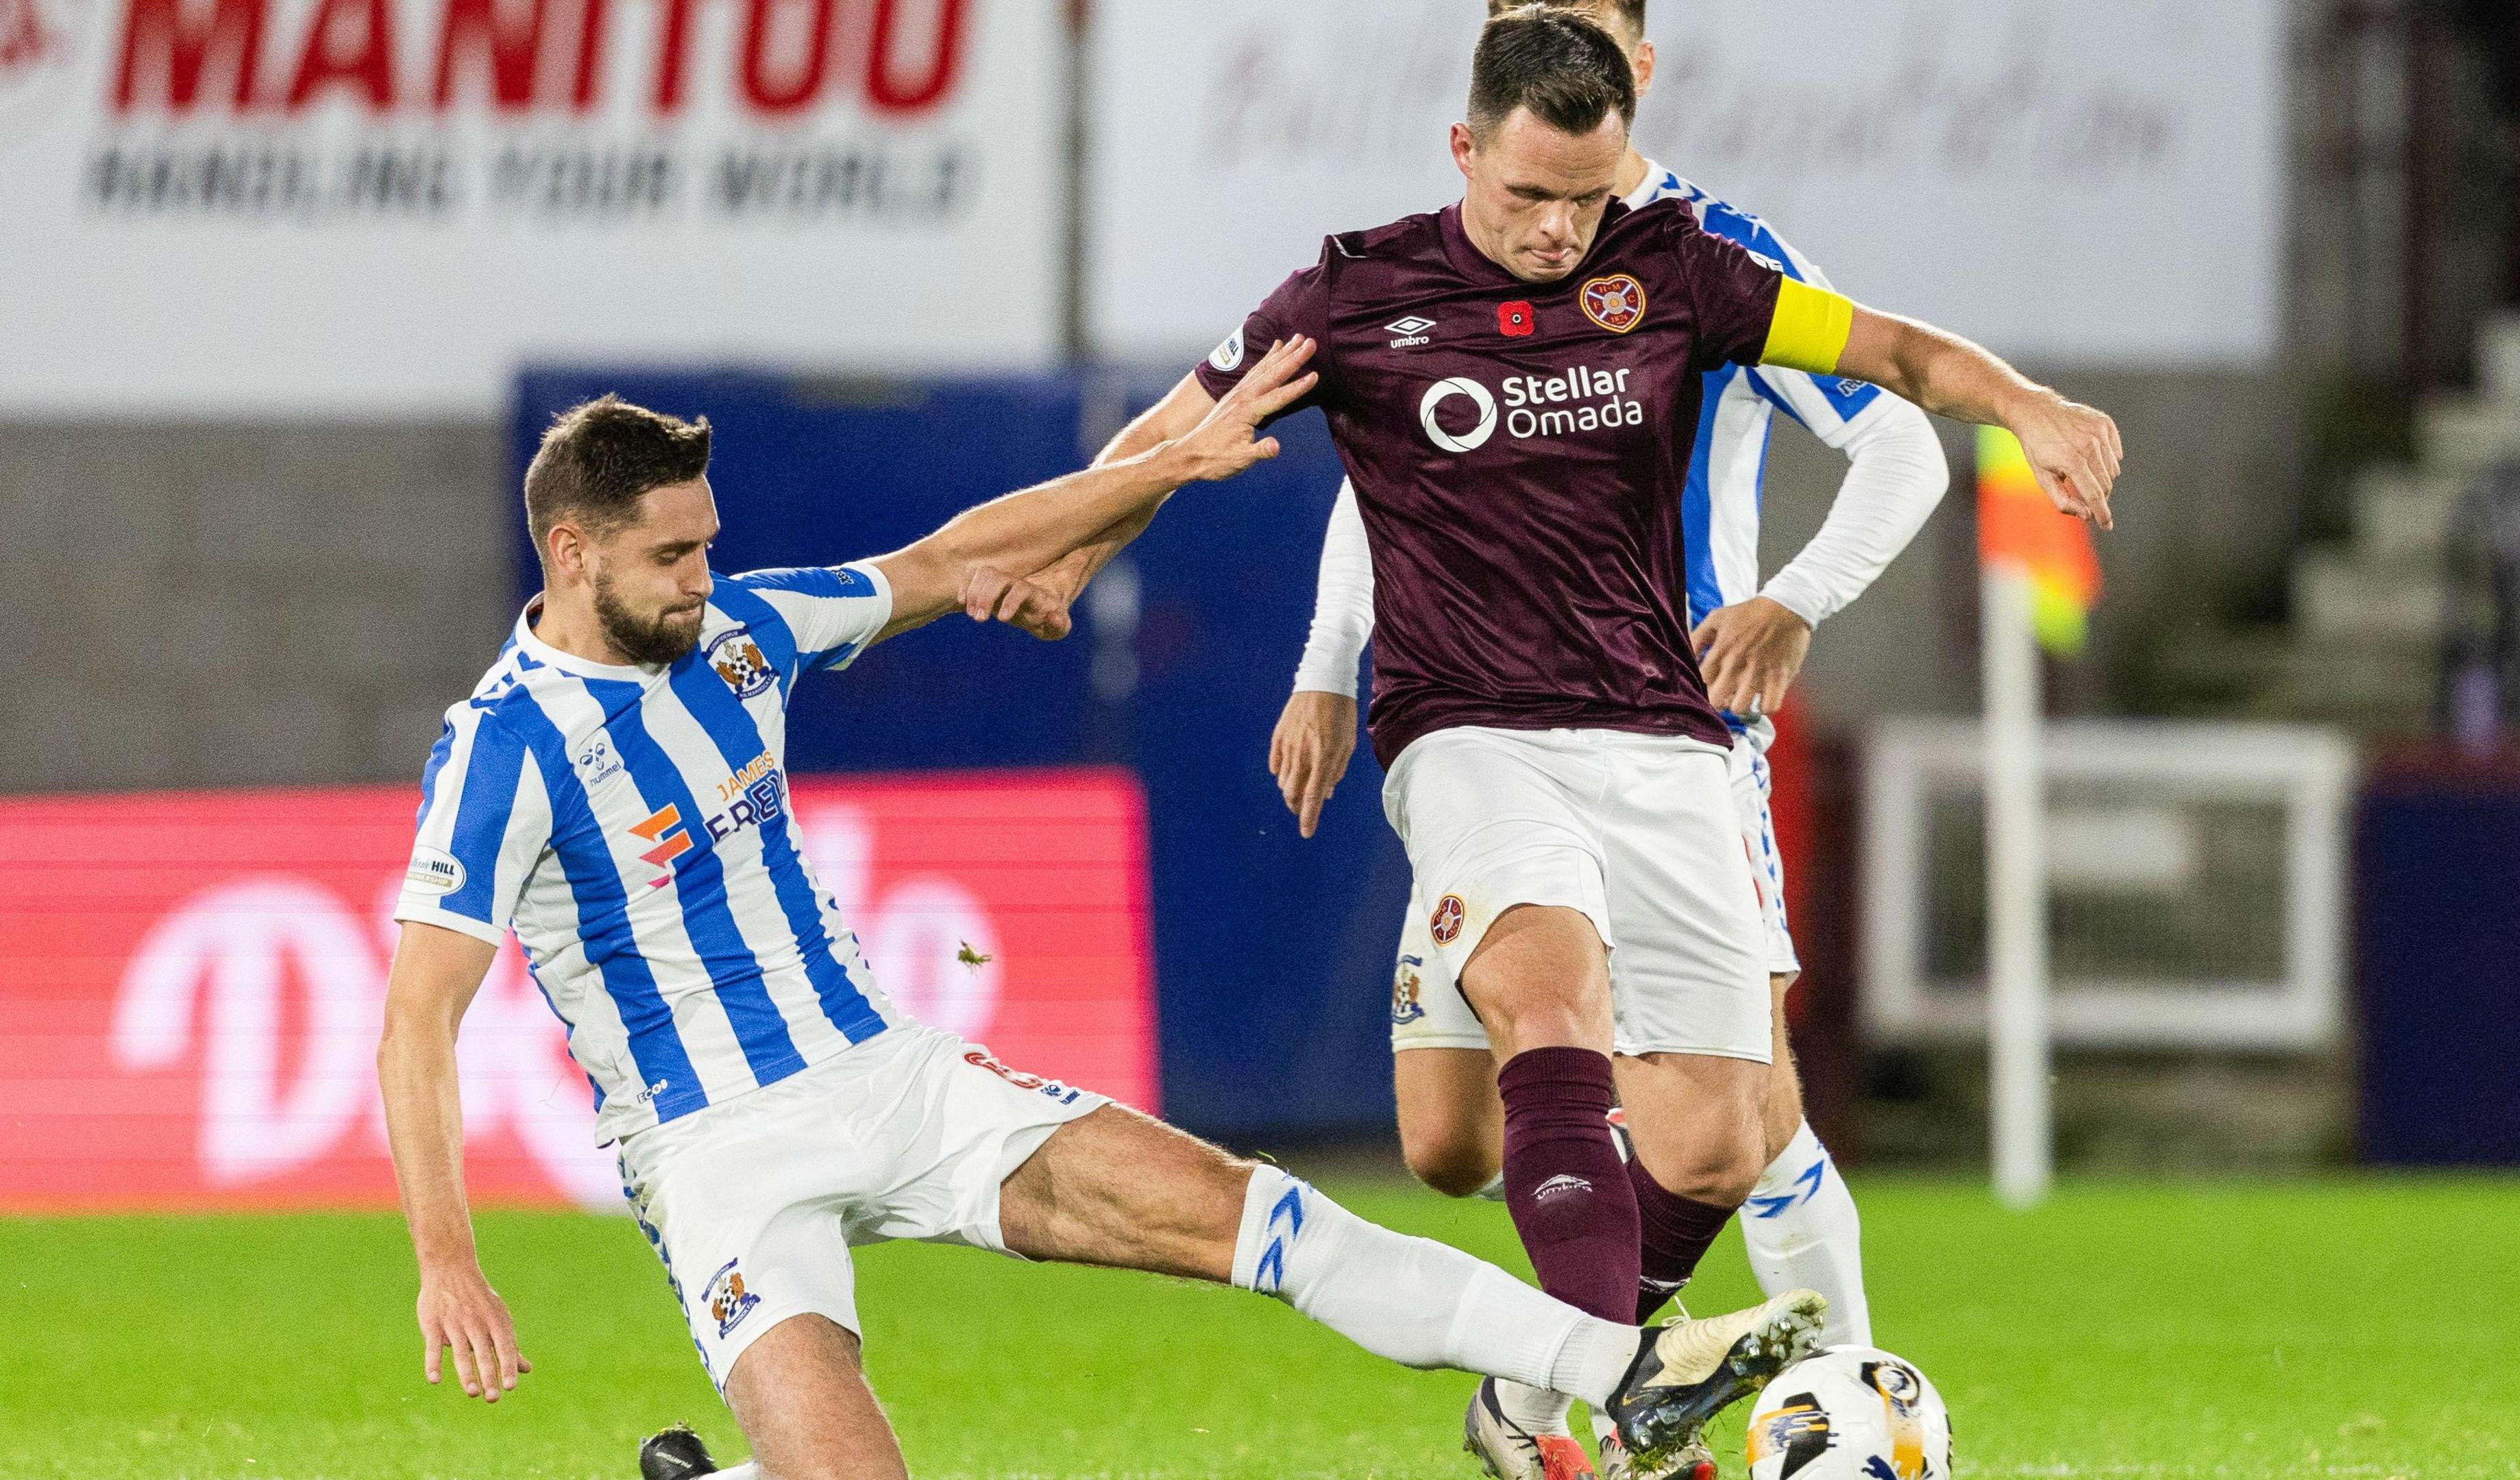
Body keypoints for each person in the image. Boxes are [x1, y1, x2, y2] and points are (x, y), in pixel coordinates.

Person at [376, 357, 1829, 1480]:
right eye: (669, 561)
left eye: (706, 548)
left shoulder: (748, 633)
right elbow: (417, 1020)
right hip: (715, 1158)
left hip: (891, 1078)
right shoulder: (501, 750)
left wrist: (1164, 471)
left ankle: (1621, 1369)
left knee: (1263, 1218)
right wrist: (449, 1254)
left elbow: (955, 553)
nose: (703, 582)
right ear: (572, 555)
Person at [1029, 10, 2119, 1480]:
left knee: (1727, 1133)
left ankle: (1528, 1412)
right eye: (1528, 198)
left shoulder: (1682, 271)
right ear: (1464, 147)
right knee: (1546, 1002)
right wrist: (1066, 545)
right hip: (1466, 731)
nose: (1555, 233)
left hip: (1663, 735)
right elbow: (1178, 428)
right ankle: (1617, 1400)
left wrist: (2030, 405)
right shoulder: (1356, 292)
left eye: (1584, 204)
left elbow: (1898, 356)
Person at [1261, 5, 1944, 1475]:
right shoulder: (1437, 268)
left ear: (1641, 66)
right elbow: (1399, 471)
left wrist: (1794, 599)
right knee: (1448, 1144)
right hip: (1479, 713)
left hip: (1668, 721)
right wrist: (1327, 662)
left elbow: (1903, 434)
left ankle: (1820, 1405)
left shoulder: (1713, 252)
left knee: (1744, 1101)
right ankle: (1595, 1377)